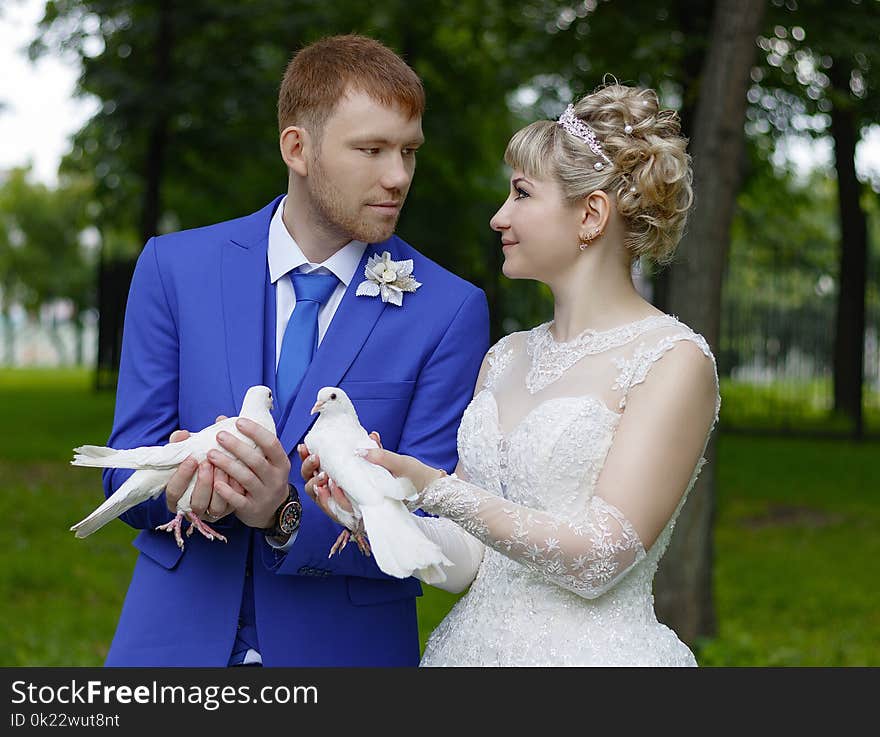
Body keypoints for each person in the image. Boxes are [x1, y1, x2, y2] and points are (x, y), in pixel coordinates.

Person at [98, 34, 489, 666]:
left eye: (409, 152)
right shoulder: (173, 268)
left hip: (344, 654)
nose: (398, 177)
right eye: (371, 150)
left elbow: (429, 522)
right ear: (297, 147)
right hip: (171, 648)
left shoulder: (448, 309)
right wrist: (178, 490)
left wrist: (285, 512)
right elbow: (121, 470)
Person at [306, 82, 720, 666]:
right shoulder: (504, 357)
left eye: (522, 194)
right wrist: (374, 510)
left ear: (591, 215)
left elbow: (598, 560)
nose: (500, 216)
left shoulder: (673, 361)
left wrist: (433, 487)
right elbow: (471, 561)